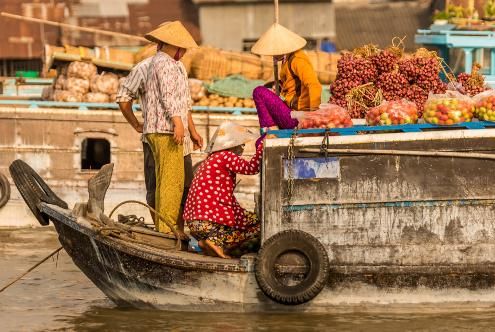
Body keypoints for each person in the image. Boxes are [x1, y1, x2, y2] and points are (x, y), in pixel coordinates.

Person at [128, 21, 201, 234]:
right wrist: (178, 124)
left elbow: (182, 101)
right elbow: (169, 97)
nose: (185, 52)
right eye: (183, 48)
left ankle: (163, 228)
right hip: (165, 129)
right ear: (174, 45)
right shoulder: (165, 64)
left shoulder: (167, 63)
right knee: (172, 183)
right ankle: (168, 231)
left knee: (164, 182)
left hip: (160, 128)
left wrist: (192, 130)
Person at [183, 122, 263, 259]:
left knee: (250, 221)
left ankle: (205, 242)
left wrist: (245, 218)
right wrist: (263, 147)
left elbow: (228, 203)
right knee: (260, 227)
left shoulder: (211, 160)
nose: (242, 149)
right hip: (208, 223)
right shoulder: (225, 156)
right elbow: (252, 168)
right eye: (241, 145)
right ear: (232, 145)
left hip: (194, 222)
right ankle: (214, 242)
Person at [251, 23, 322, 132]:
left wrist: (311, 117)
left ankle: (271, 129)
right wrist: (280, 86)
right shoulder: (287, 60)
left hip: (297, 118)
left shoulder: (297, 59)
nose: (272, 55)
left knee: (258, 92)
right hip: (291, 111)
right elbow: (292, 84)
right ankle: (270, 129)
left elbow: (314, 85)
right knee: (265, 93)